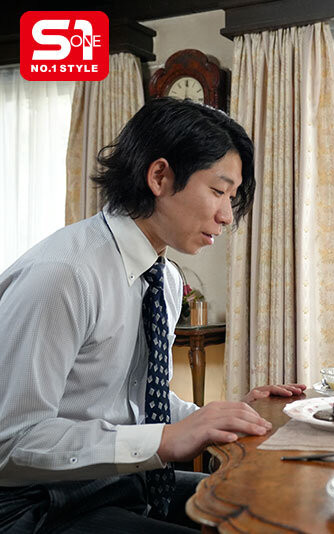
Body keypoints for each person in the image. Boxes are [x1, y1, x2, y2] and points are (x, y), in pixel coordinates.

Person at [0, 98, 306, 533]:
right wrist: (167, 439)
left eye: (232, 197)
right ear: (159, 176)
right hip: (34, 503)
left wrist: (222, 416)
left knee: (270, 501)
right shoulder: (64, 275)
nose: (226, 216)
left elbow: (137, 402)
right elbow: (11, 441)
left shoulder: (165, 280)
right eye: (217, 191)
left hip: (118, 482)